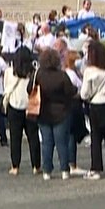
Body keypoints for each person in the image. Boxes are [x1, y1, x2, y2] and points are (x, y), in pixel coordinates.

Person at [34, 47, 76, 181]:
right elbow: (71, 91)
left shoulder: (39, 74)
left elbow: (30, 89)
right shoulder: (62, 75)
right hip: (61, 112)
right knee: (61, 143)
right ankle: (64, 169)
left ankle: (47, 170)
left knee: (46, 143)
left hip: (43, 112)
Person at [80, 40, 105, 179]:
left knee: (96, 138)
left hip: (96, 105)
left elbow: (84, 93)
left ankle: (96, 168)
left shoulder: (89, 71)